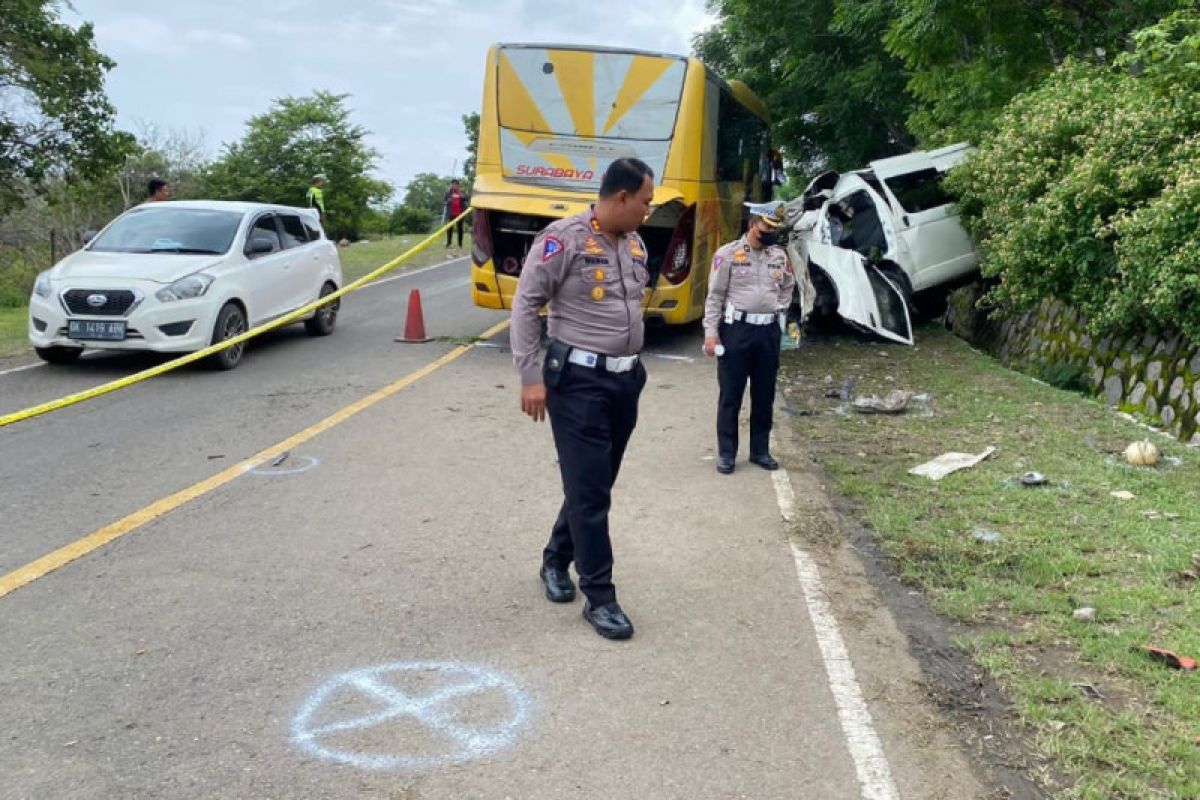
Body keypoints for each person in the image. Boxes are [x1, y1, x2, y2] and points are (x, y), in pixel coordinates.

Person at [510, 158, 654, 640]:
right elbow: (527, 304)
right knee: (591, 493)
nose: (648, 211)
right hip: (577, 383)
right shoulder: (564, 239)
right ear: (620, 197)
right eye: (645, 202)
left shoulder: (634, 243)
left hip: (623, 382)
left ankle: (555, 559)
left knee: (593, 484)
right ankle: (600, 596)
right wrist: (531, 376)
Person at [703, 201, 796, 475]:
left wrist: (778, 306)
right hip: (737, 331)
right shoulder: (728, 254)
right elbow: (715, 297)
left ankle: (760, 451)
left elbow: (789, 285)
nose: (771, 232)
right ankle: (727, 453)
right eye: (767, 227)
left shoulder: (778, 256)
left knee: (764, 394)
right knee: (731, 394)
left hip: (767, 332)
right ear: (753, 224)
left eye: (775, 228)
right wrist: (712, 334)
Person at [443, 179, 469, 248]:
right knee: (449, 228)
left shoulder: (461, 192)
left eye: (455, 184)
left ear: (458, 185)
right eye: (452, 184)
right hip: (451, 213)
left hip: (460, 214)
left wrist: (462, 195)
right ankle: (449, 243)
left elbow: (467, 198)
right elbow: (444, 202)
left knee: (460, 229)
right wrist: (447, 201)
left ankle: (460, 244)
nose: (453, 186)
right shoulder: (448, 193)